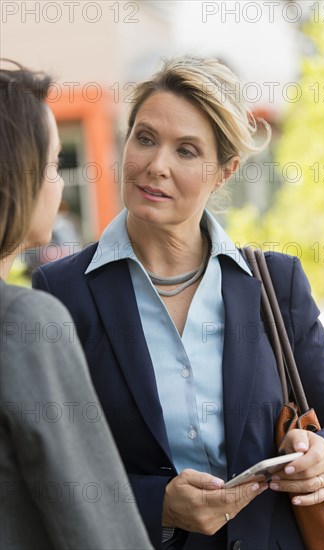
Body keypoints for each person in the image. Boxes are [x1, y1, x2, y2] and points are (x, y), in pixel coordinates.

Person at [32, 56, 324, 550]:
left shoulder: (274, 283)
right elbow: (46, 470)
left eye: (186, 151)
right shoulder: (62, 293)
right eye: (145, 138)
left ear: (224, 171)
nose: (156, 165)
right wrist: (157, 505)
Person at [0, 61, 153, 550]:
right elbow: (100, 530)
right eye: (50, 165)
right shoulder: (25, 322)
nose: (60, 183)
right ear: (14, 181)